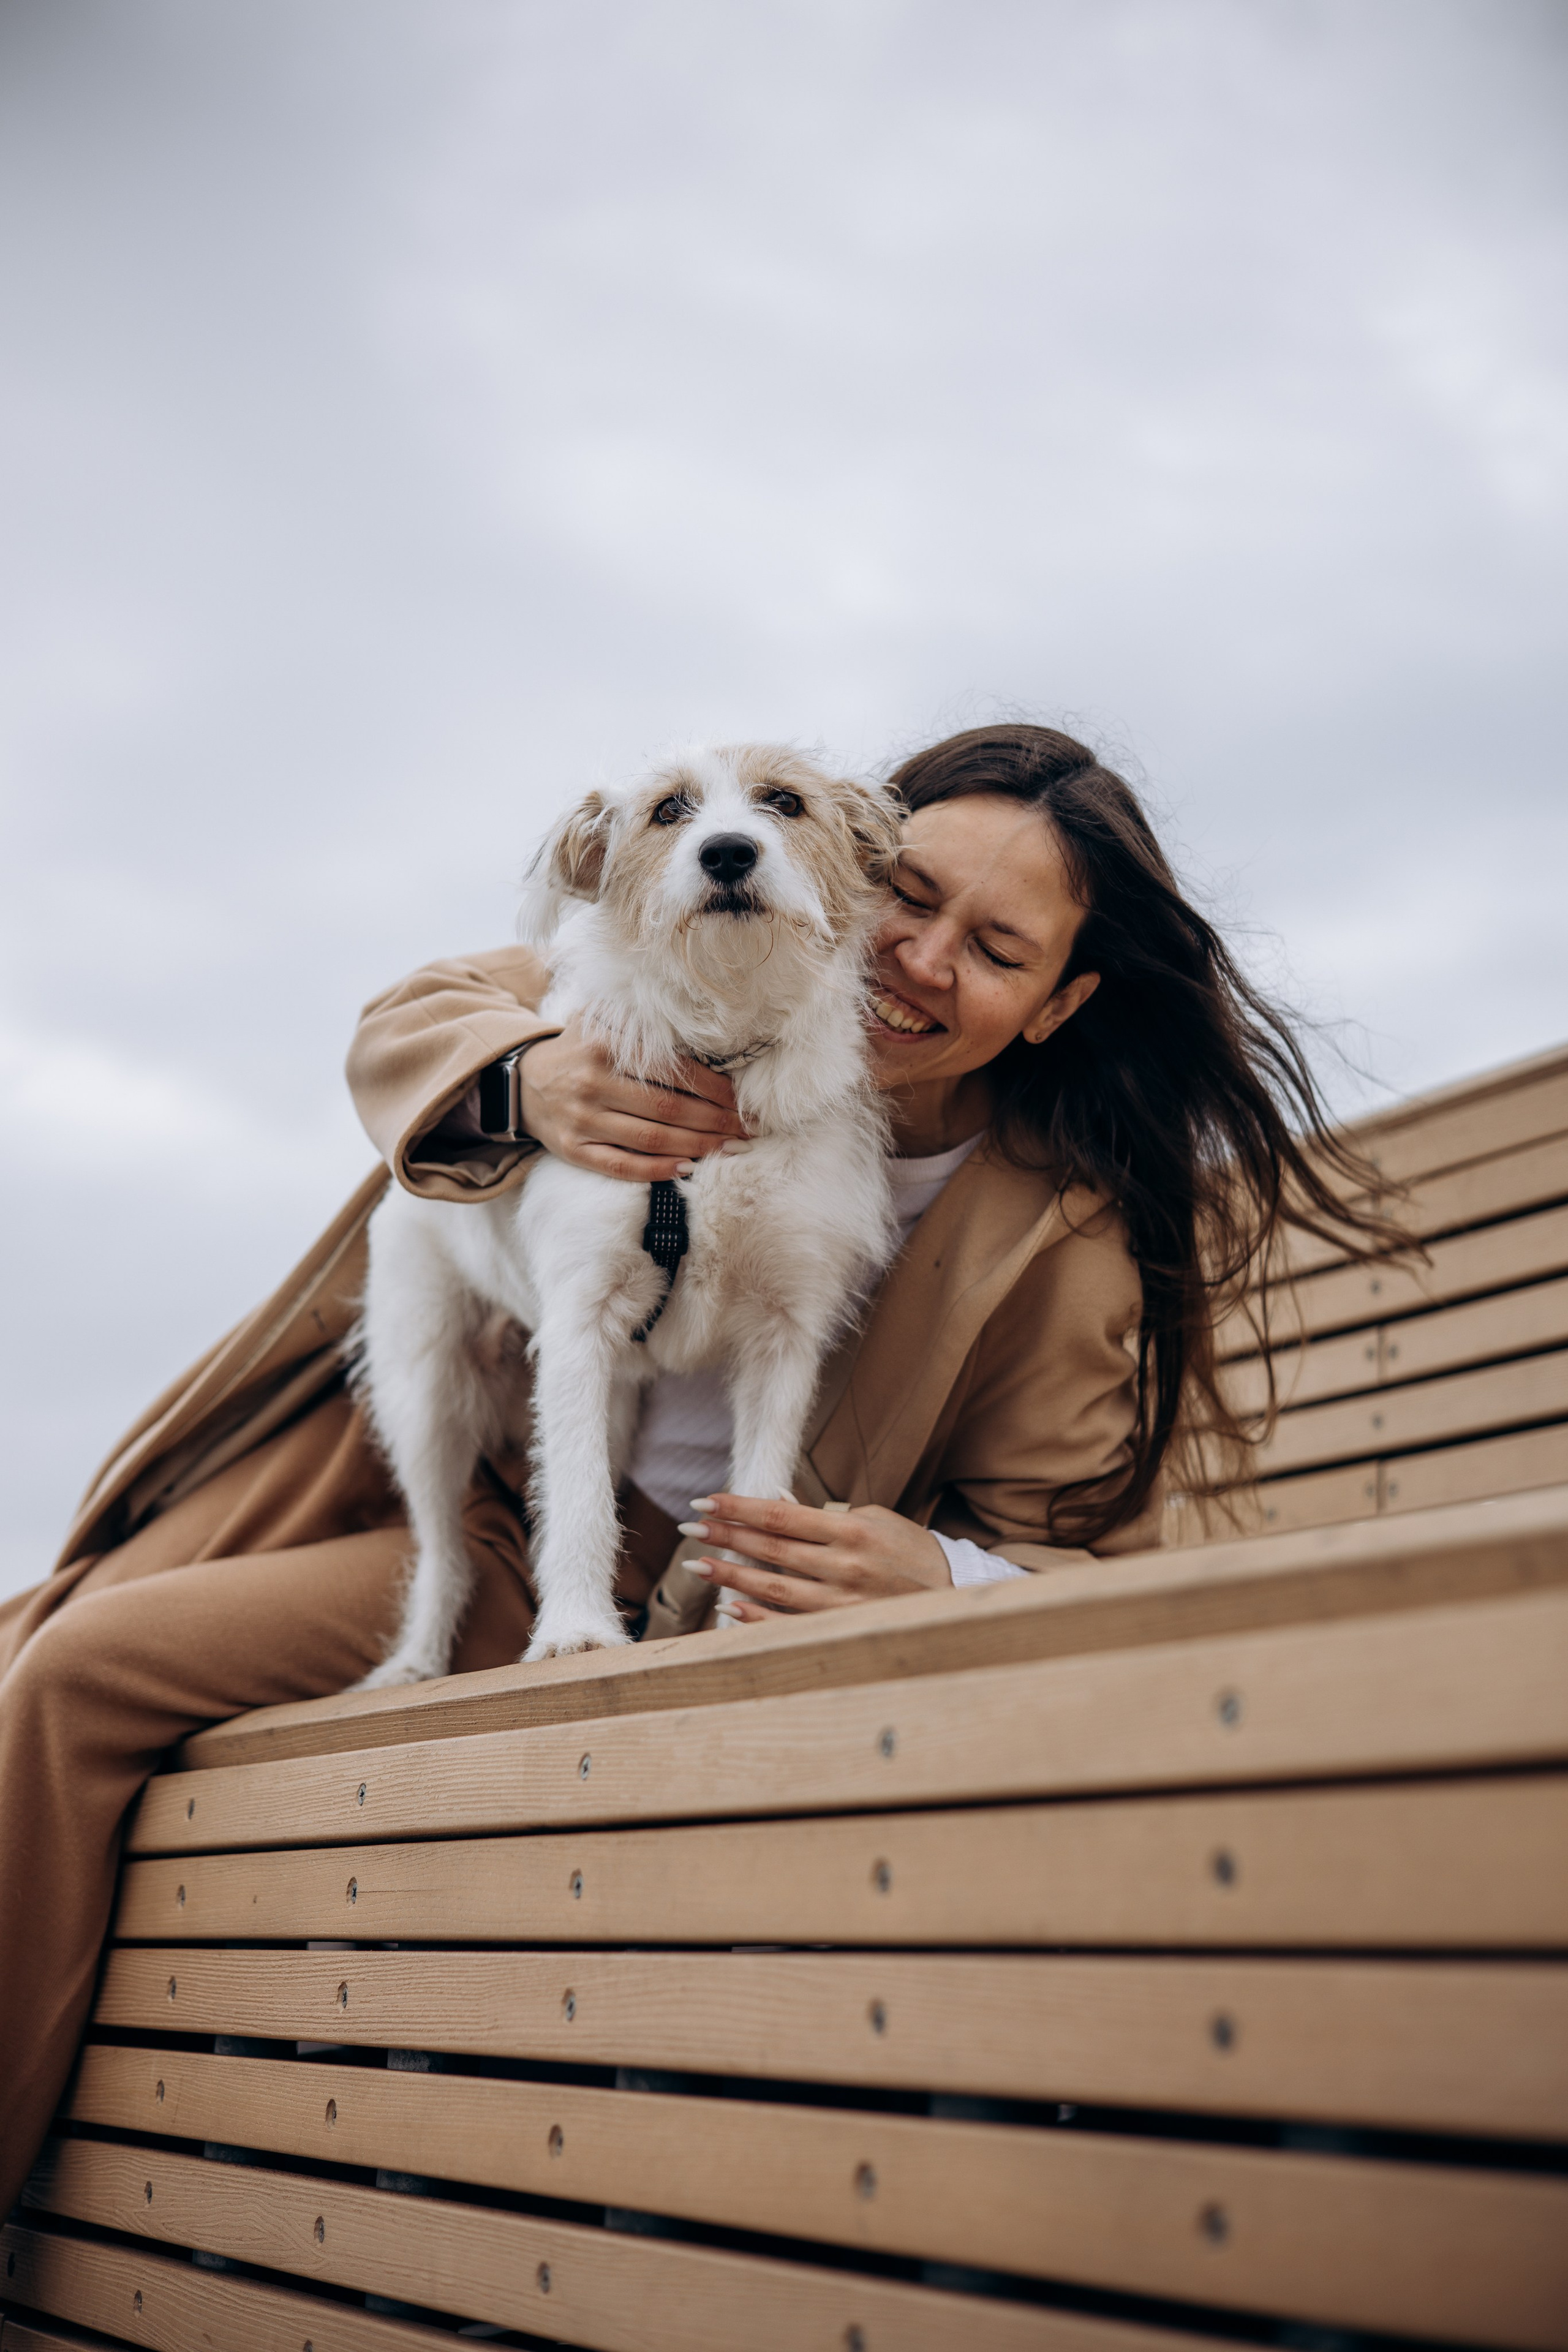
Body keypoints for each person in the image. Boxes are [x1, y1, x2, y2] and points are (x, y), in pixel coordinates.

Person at [0, 723, 1391, 2212]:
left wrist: (932, 1570)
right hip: (481, 1535)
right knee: (65, 1667)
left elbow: (1080, 1558)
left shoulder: (1056, 1236)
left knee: (67, 1677)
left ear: (1059, 1006)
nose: (918, 961)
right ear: (843, 862)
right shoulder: (647, 988)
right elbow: (415, 1013)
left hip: (705, 1613)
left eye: (993, 951)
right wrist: (525, 1085)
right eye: (909, 896)